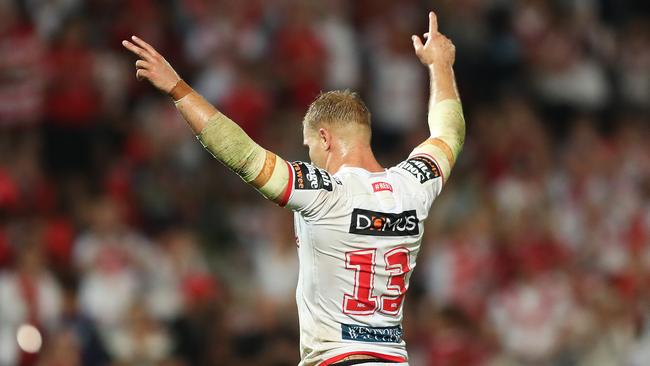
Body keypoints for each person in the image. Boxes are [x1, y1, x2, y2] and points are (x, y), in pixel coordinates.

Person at [123, 10, 464, 366]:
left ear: (324, 138)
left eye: (310, 147)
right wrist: (440, 65)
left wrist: (178, 89)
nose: (311, 156)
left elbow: (243, 155)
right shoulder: (412, 185)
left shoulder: (326, 192)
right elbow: (448, 134)